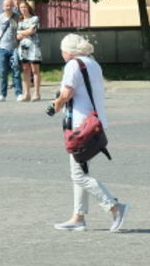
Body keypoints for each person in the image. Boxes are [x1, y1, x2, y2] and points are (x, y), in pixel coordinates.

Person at [48, 33, 128, 232]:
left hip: (81, 126)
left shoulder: (73, 65)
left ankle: (114, 206)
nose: (62, 54)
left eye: (63, 50)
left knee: (78, 175)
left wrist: (55, 105)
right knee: (82, 171)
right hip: (96, 123)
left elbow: (67, 93)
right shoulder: (93, 64)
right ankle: (78, 217)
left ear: (69, 51)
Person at [0, 0, 22, 102]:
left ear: (13, 6)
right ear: (3, 7)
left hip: (14, 48)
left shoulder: (17, 18)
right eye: (6, 5)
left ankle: (19, 93)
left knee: (16, 71)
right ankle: (2, 94)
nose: (8, 7)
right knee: (3, 72)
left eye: (10, 5)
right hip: (2, 48)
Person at [15, 0, 43, 101]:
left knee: (35, 69)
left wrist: (22, 33)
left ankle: (36, 93)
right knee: (25, 69)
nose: (23, 9)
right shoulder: (19, 21)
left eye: (25, 7)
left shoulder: (34, 18)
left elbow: (31, 31)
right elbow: (17, 36)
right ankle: (26, 94)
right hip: (23, 48)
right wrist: (24, 33)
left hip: (34, 46)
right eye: (21, 8)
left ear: (28, 8)